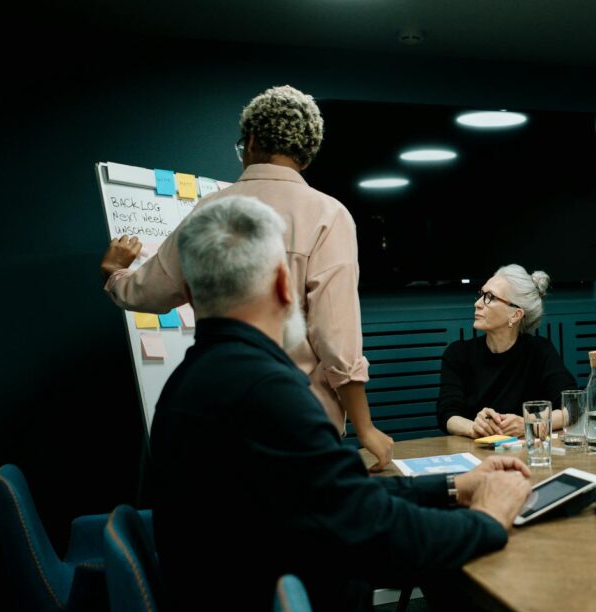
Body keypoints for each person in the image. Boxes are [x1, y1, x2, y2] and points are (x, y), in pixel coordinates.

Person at [149, 195, 532, 612]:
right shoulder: (268, 393)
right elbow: (372, 532)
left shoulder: (192, 381)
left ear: (187, 293)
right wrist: (489, 521)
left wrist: (453, 486)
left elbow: (334, 495)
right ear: (283, 284)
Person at [98, 85, 394, 470]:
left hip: (214, 411)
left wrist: (114, 271)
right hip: (301, 420)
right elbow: (336, 336)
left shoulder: (209, 211)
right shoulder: (328, 215)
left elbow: (145, 293)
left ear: (251, 140)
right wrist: (365, 426)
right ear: (306, 156)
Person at [437, 265, 577, 438]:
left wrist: (529, 421)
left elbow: (573, 408)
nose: (477, 304)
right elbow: (447, 414)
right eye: (481, 295)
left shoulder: (539, 350)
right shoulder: (458, 353)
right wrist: (474, 427)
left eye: (490, 297)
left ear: (515, 315)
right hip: (476, 454)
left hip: (528, 455)